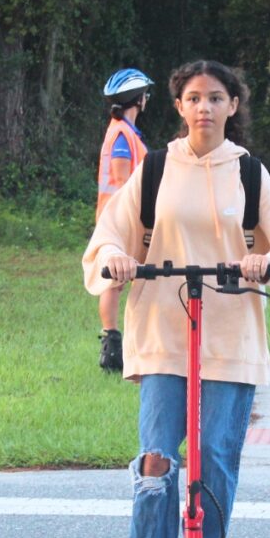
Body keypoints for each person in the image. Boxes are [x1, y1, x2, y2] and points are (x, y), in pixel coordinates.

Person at [81, 60, 270, 538]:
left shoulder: (249, 173)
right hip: (163, 329)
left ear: (233, 105)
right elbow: (109, 232)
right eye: (192, 97)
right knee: (157, 457)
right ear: (178, 107)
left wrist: (268, 259)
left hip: (231, 331)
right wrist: (117, 257)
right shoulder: (155, 169)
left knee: (216, 459)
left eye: (215, 97)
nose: (204, 106)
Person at [95, 68, 154, 372]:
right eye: (145, 95)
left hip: (127, 217)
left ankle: (128, 343)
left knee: (128, 279)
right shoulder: (121, 134)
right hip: (120, 219)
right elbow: (121, 177)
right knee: (115, 280)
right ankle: (112, 347)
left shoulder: (128, 132)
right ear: (138, 99)